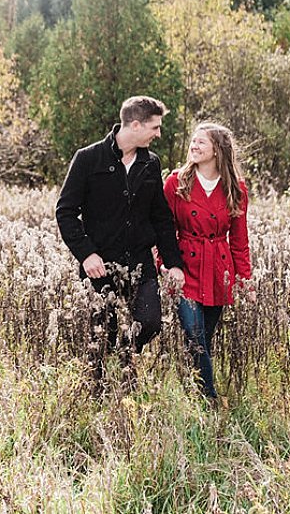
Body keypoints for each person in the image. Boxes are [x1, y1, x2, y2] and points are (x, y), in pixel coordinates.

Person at [55, 96, 186, 381]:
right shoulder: (88, 158)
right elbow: (65, 212)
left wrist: (173, 263)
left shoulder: (151, 164)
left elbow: (161, 217)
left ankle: (125, 356)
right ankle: (99, 393)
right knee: (102, 331)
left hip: (140, 261)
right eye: (155, 127)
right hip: (100, 263)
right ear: (136, 124)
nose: (159, 134)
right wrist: (87, 254)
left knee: (150, 323)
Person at [163, 122, 253, 401]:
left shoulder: (235, 188)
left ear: (217, 150)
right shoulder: (176, 182)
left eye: (202, 142)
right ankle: (210, 399)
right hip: (184, 267)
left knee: (203, 340)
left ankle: (194, 390)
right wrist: (165, 264)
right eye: (193, 140)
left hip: (218, 269)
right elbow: (163, 228)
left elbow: (239, 239)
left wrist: (244, 280)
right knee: (194, 332)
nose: (194, 145)